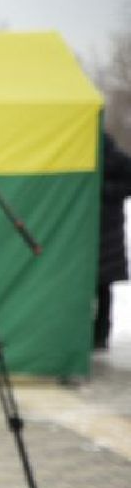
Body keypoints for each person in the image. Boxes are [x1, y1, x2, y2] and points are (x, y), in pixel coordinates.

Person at [95, 131, 131, 350]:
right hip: (93, 228)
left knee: (102, 285)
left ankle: (100, 334)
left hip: (107, 229)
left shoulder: (111, 155)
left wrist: (104, 192)